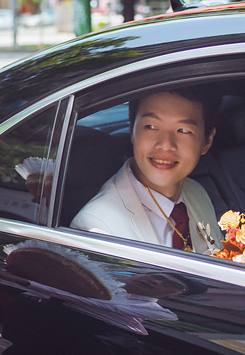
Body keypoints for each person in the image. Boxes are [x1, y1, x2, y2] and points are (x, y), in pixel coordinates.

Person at [70, 88, 221, 253]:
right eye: (151, 126)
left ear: (207, 141)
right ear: (132, 130)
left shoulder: (196, 193)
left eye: (183, 130)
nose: (165, 144)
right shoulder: (99, 229)